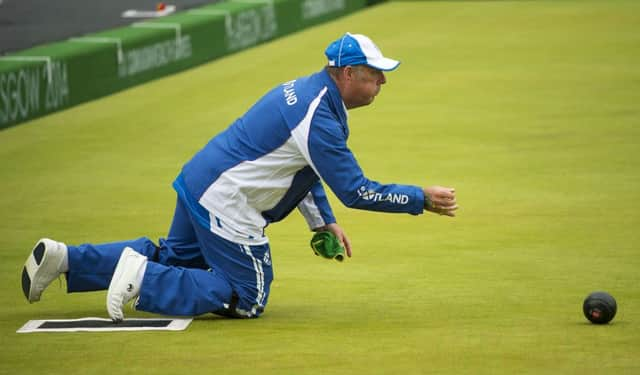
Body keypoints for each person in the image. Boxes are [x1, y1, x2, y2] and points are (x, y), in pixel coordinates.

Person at [21, 32, 458, 322]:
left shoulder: (312, 92)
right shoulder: (318, 116)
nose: (382, 82)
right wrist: (420, 197)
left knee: (178, 258)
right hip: (226, 200)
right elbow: (355, 190)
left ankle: (67, 259)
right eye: (373, 74)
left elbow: (305, 167)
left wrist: (319, 222)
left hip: (198, 179)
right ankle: (145, 279)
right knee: (248, 297)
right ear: (347, 74)